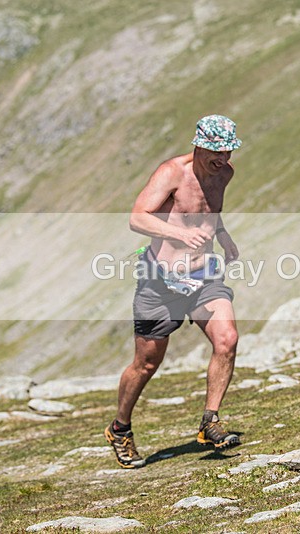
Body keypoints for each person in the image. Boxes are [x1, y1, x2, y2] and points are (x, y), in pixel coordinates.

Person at [104, 115, 243, 468]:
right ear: (198, 144)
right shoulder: (172, 172)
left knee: (226, 339)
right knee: (147, 362)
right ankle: (120, 427)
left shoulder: (224, 173)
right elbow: (137, 217)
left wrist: (222, 234)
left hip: (203, 277)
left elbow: (208, 212)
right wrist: (180, 236)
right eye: (215, 151)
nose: (222, 159)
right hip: (160, 279)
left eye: (227, 151)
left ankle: (210, 421)